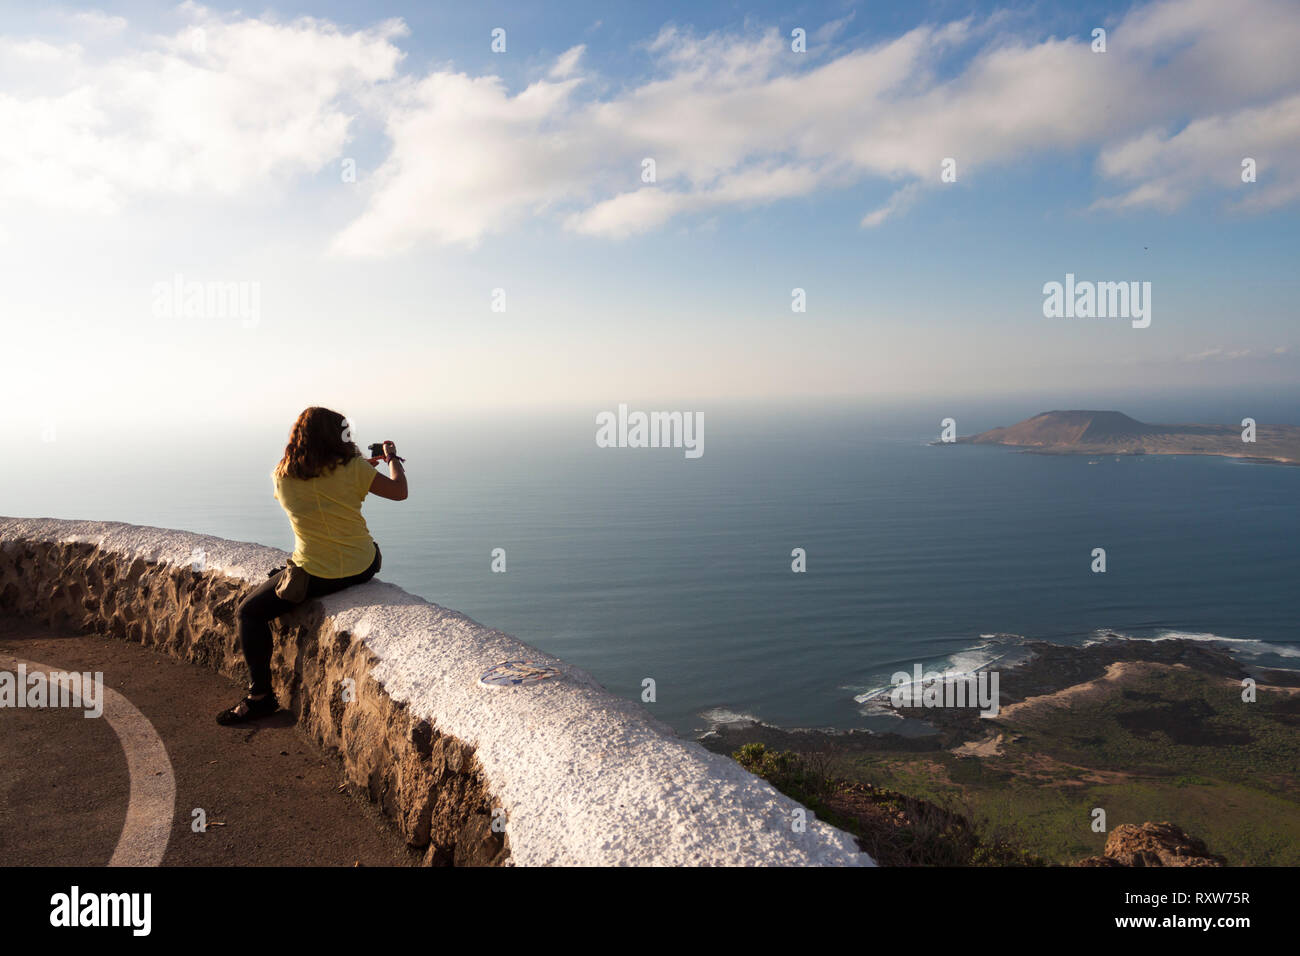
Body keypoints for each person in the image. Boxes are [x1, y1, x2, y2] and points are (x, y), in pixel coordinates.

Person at [217, 406, 407, 725]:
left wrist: (350, 473)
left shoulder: (282, 477)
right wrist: (390, 460)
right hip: (364, 563)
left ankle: (260, 697)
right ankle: (260, 697)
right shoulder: (355, 468)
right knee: (274, 583)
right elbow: (398, 492)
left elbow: (318, 491)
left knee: (248, 612)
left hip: (316, 575)